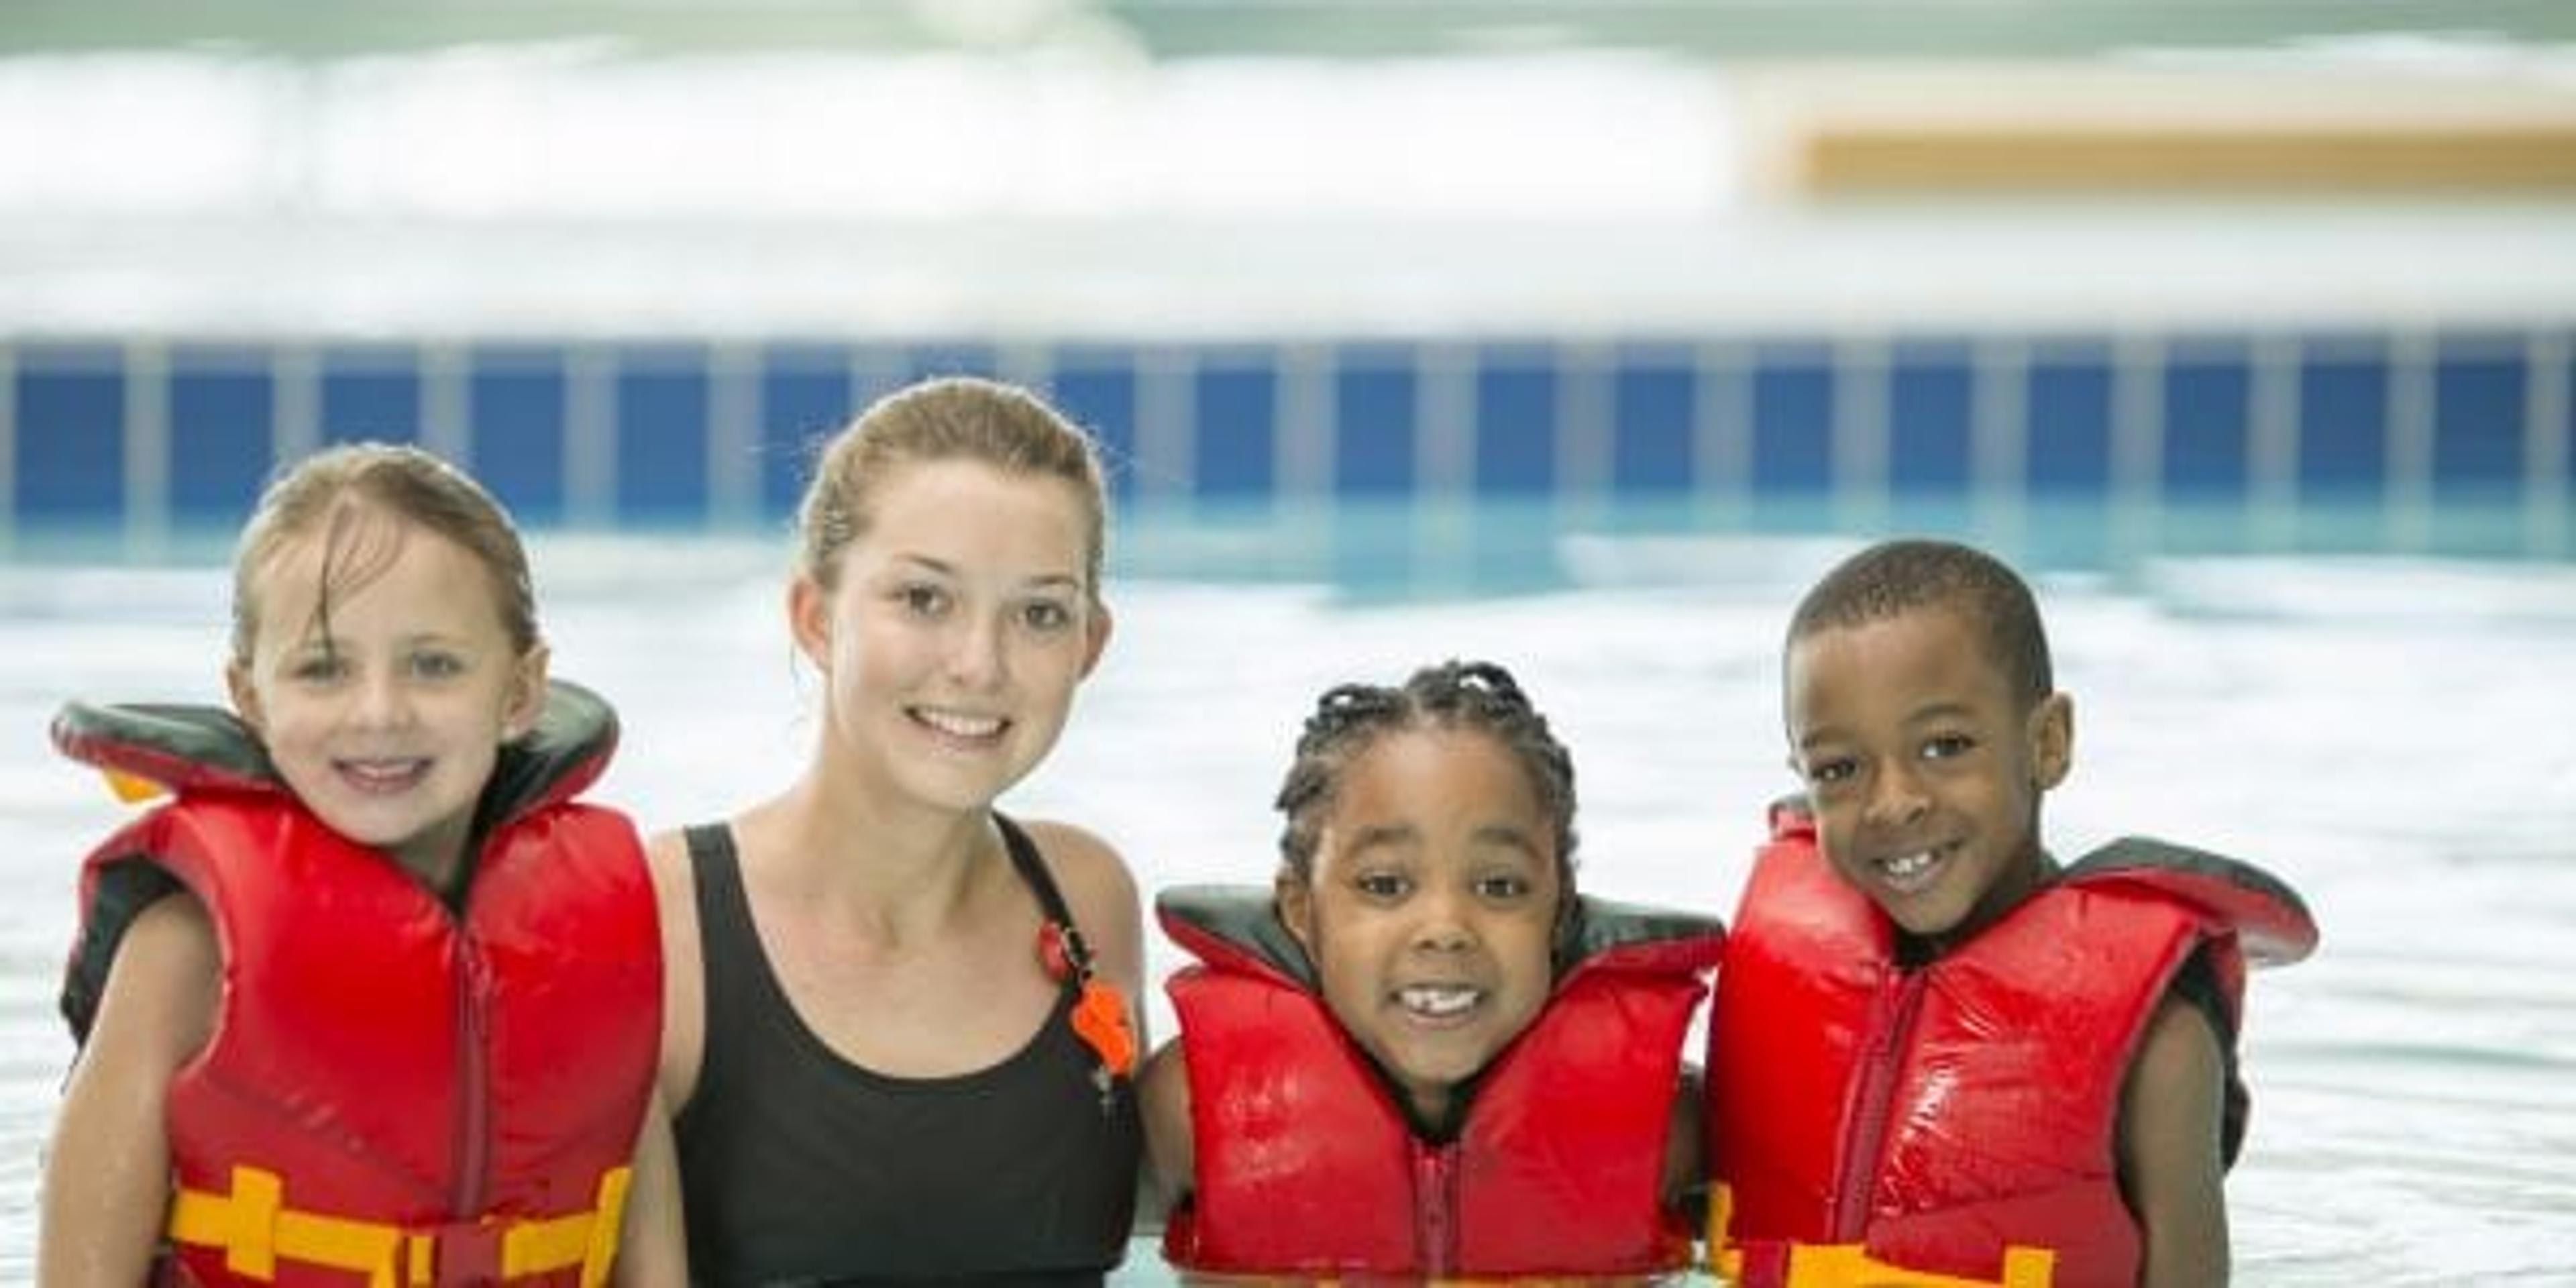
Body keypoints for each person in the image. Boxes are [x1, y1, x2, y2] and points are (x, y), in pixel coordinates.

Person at [39, 442, 684, 1287]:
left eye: (434, 665)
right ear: (251, 698)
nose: (379, 712)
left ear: (520, 691)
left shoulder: (591, 940)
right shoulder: (186, 952)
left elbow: (650, 1249)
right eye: (324, 668)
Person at [1703, 538, 2320, 1288]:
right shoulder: (1774, 970)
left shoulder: (2160, 1035)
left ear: (2048, 743)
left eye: (1945, 746)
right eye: (1840, 768)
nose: (1893, 803)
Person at [651, 376, 1145, 1284]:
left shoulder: (1088, 899)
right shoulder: (665, 924)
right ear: (816, 618)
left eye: (1039, 614)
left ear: (1091, 644)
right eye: (924, 599)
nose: (979, 665)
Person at [1140, 659, 1725, 1280]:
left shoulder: (1668, 1130)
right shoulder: (1190, 1113)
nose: (1445, 929)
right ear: (1302, 911)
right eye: (1386, 884)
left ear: (1559, 911)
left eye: (1500, 886)